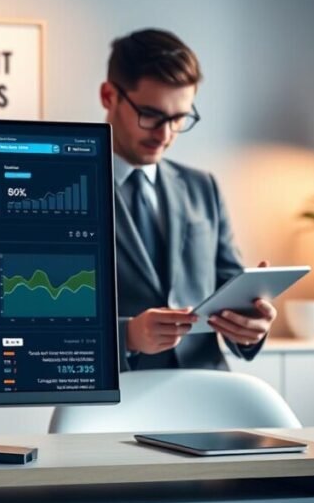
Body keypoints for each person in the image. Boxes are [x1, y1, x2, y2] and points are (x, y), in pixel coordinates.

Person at [102, 29, 277, 371]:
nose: (165, 135)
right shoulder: (61, 190)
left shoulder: (202, 187)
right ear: (109, 96)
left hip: (205, 393)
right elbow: (45, 323)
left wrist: (250, 327)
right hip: (113, 403)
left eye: (179, 118)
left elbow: (228, 290)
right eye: (151, 115)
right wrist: (127, 337)